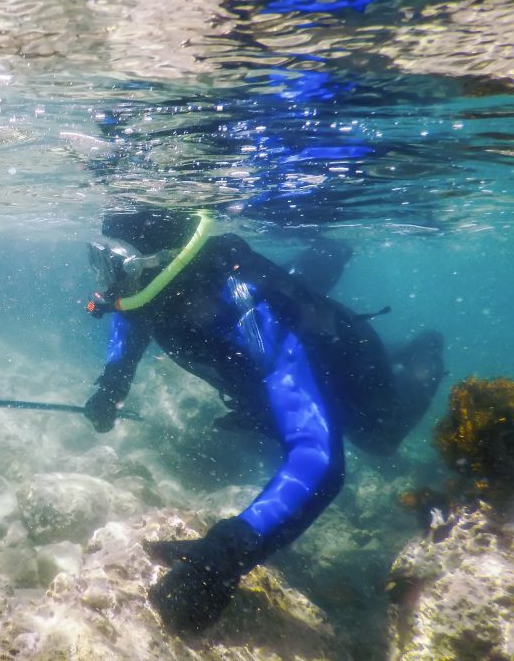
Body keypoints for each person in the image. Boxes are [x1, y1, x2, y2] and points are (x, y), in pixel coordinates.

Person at [82, 207, 444, 633]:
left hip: (348, 374)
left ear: (162, 265)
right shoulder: (151, 292)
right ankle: (325, 261)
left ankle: (423, 354)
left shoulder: (251, 313)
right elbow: (132, 317)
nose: (107, 285)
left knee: (379, 438)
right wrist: (113, 381)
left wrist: (226, 554)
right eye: (102, 258)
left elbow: (319, 458)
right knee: (267, 419)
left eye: (115, 265)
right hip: (269, 374)